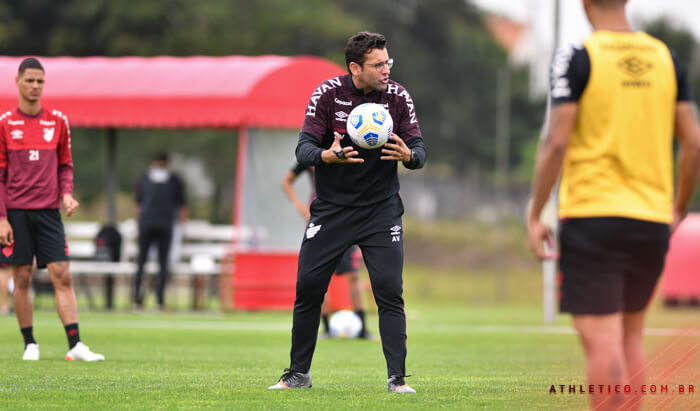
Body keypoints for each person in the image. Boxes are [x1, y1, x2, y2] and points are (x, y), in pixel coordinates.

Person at [526, 1, 700, 409]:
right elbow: (692, 142)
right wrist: (676, 207)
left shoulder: (577, 56)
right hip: (651, 219)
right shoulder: (665, 57)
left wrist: (535, 213)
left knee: (603, 342)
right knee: (630, 335)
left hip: (593, 215)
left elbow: (556, 142)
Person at [269, 31, 426, 393]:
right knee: (308, 288)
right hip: (331, 211)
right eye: (378, 64)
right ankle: (297, 374)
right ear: (355, 67)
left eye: (388, 62)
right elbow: (304, 147)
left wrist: (410, 157)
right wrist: (325, 155)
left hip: (381, 212)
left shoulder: (398, 97)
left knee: (388, 291)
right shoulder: (327, 95)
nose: (386, 69)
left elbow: (419, 149)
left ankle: (397, 380)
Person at [0, 57, 104, 361]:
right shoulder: (5, 125)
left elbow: (65, 166)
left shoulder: (57, 122)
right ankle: (30, 343)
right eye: (30, 80)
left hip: (48, 212)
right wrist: (2, 218)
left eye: (40, 81)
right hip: (16, 212)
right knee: (22, 277)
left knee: (63, 274)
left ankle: (75, 344)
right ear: (17, 82)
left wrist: (67, 195)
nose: (35, 86)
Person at [281, 162, 378, 341]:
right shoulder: (312, 154)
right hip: (320, 219)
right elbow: (286, 181)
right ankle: (326, 328)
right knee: (319, 276)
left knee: (353, 275)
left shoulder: (347, 150)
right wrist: (299, 206)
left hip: (346, 219)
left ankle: (363, 329)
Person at [132, 152, 187, 310]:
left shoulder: (144, 178)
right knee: (163, 264)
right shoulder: (174, 180)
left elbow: (138, 206)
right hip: (165, 224)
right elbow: (182, 206)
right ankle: (160, 300)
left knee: (142, 262)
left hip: (146, 223)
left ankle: (137, 298)